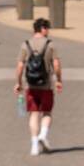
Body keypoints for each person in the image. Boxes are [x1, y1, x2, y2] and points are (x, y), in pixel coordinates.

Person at [14, 18, 62, 156]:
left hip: (30, 85)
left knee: (33, 114)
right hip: (46, 85)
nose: (48, 31)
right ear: (43, 29)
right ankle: (43, 134)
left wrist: (18, 83)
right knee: (47, 112)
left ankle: (34, 145)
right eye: (47, 28)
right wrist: (58, 80)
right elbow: (57, 65)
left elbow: (20, 66)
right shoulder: (50, 44)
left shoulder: (25, 44)